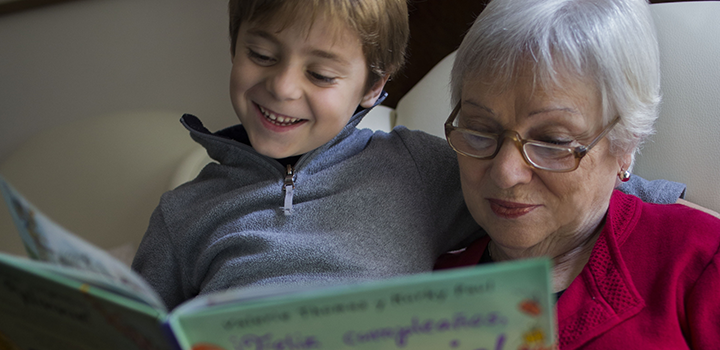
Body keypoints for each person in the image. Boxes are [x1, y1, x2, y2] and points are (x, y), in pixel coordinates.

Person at [132, 0, 683, 311]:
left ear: (372, 88)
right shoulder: (183, 213)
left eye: (320, 74)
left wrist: (677, 205)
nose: (281, 88)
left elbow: (537, 187)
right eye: (259, 55)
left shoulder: (413, 168)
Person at [434, 0, 720, 348]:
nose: (505, 173)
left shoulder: (700, 262)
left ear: (625, 145)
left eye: (552, 141)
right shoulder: (433, 284)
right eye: (480, 130)